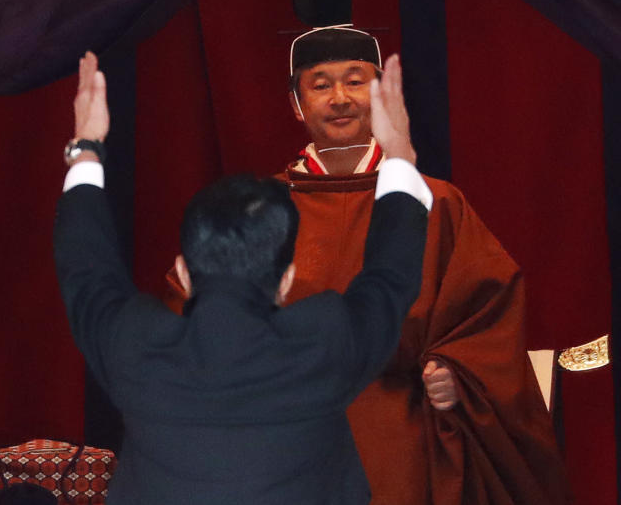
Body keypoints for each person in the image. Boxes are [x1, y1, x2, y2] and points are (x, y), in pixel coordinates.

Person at [54, 52, 432, 504]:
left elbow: (85, 270)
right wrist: (400, 154)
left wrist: (86, 148)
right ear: (287, 279)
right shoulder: (324, 340)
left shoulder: (135, 344)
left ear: (182, 272)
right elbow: (392, 275)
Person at [272, 25, 568, 504]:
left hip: (405, 427)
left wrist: (458, 372)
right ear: (296, 103)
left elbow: (488, 313)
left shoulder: (436, 202)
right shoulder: (257, 212)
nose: (340, 98)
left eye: (356, 81)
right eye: (320, 84)